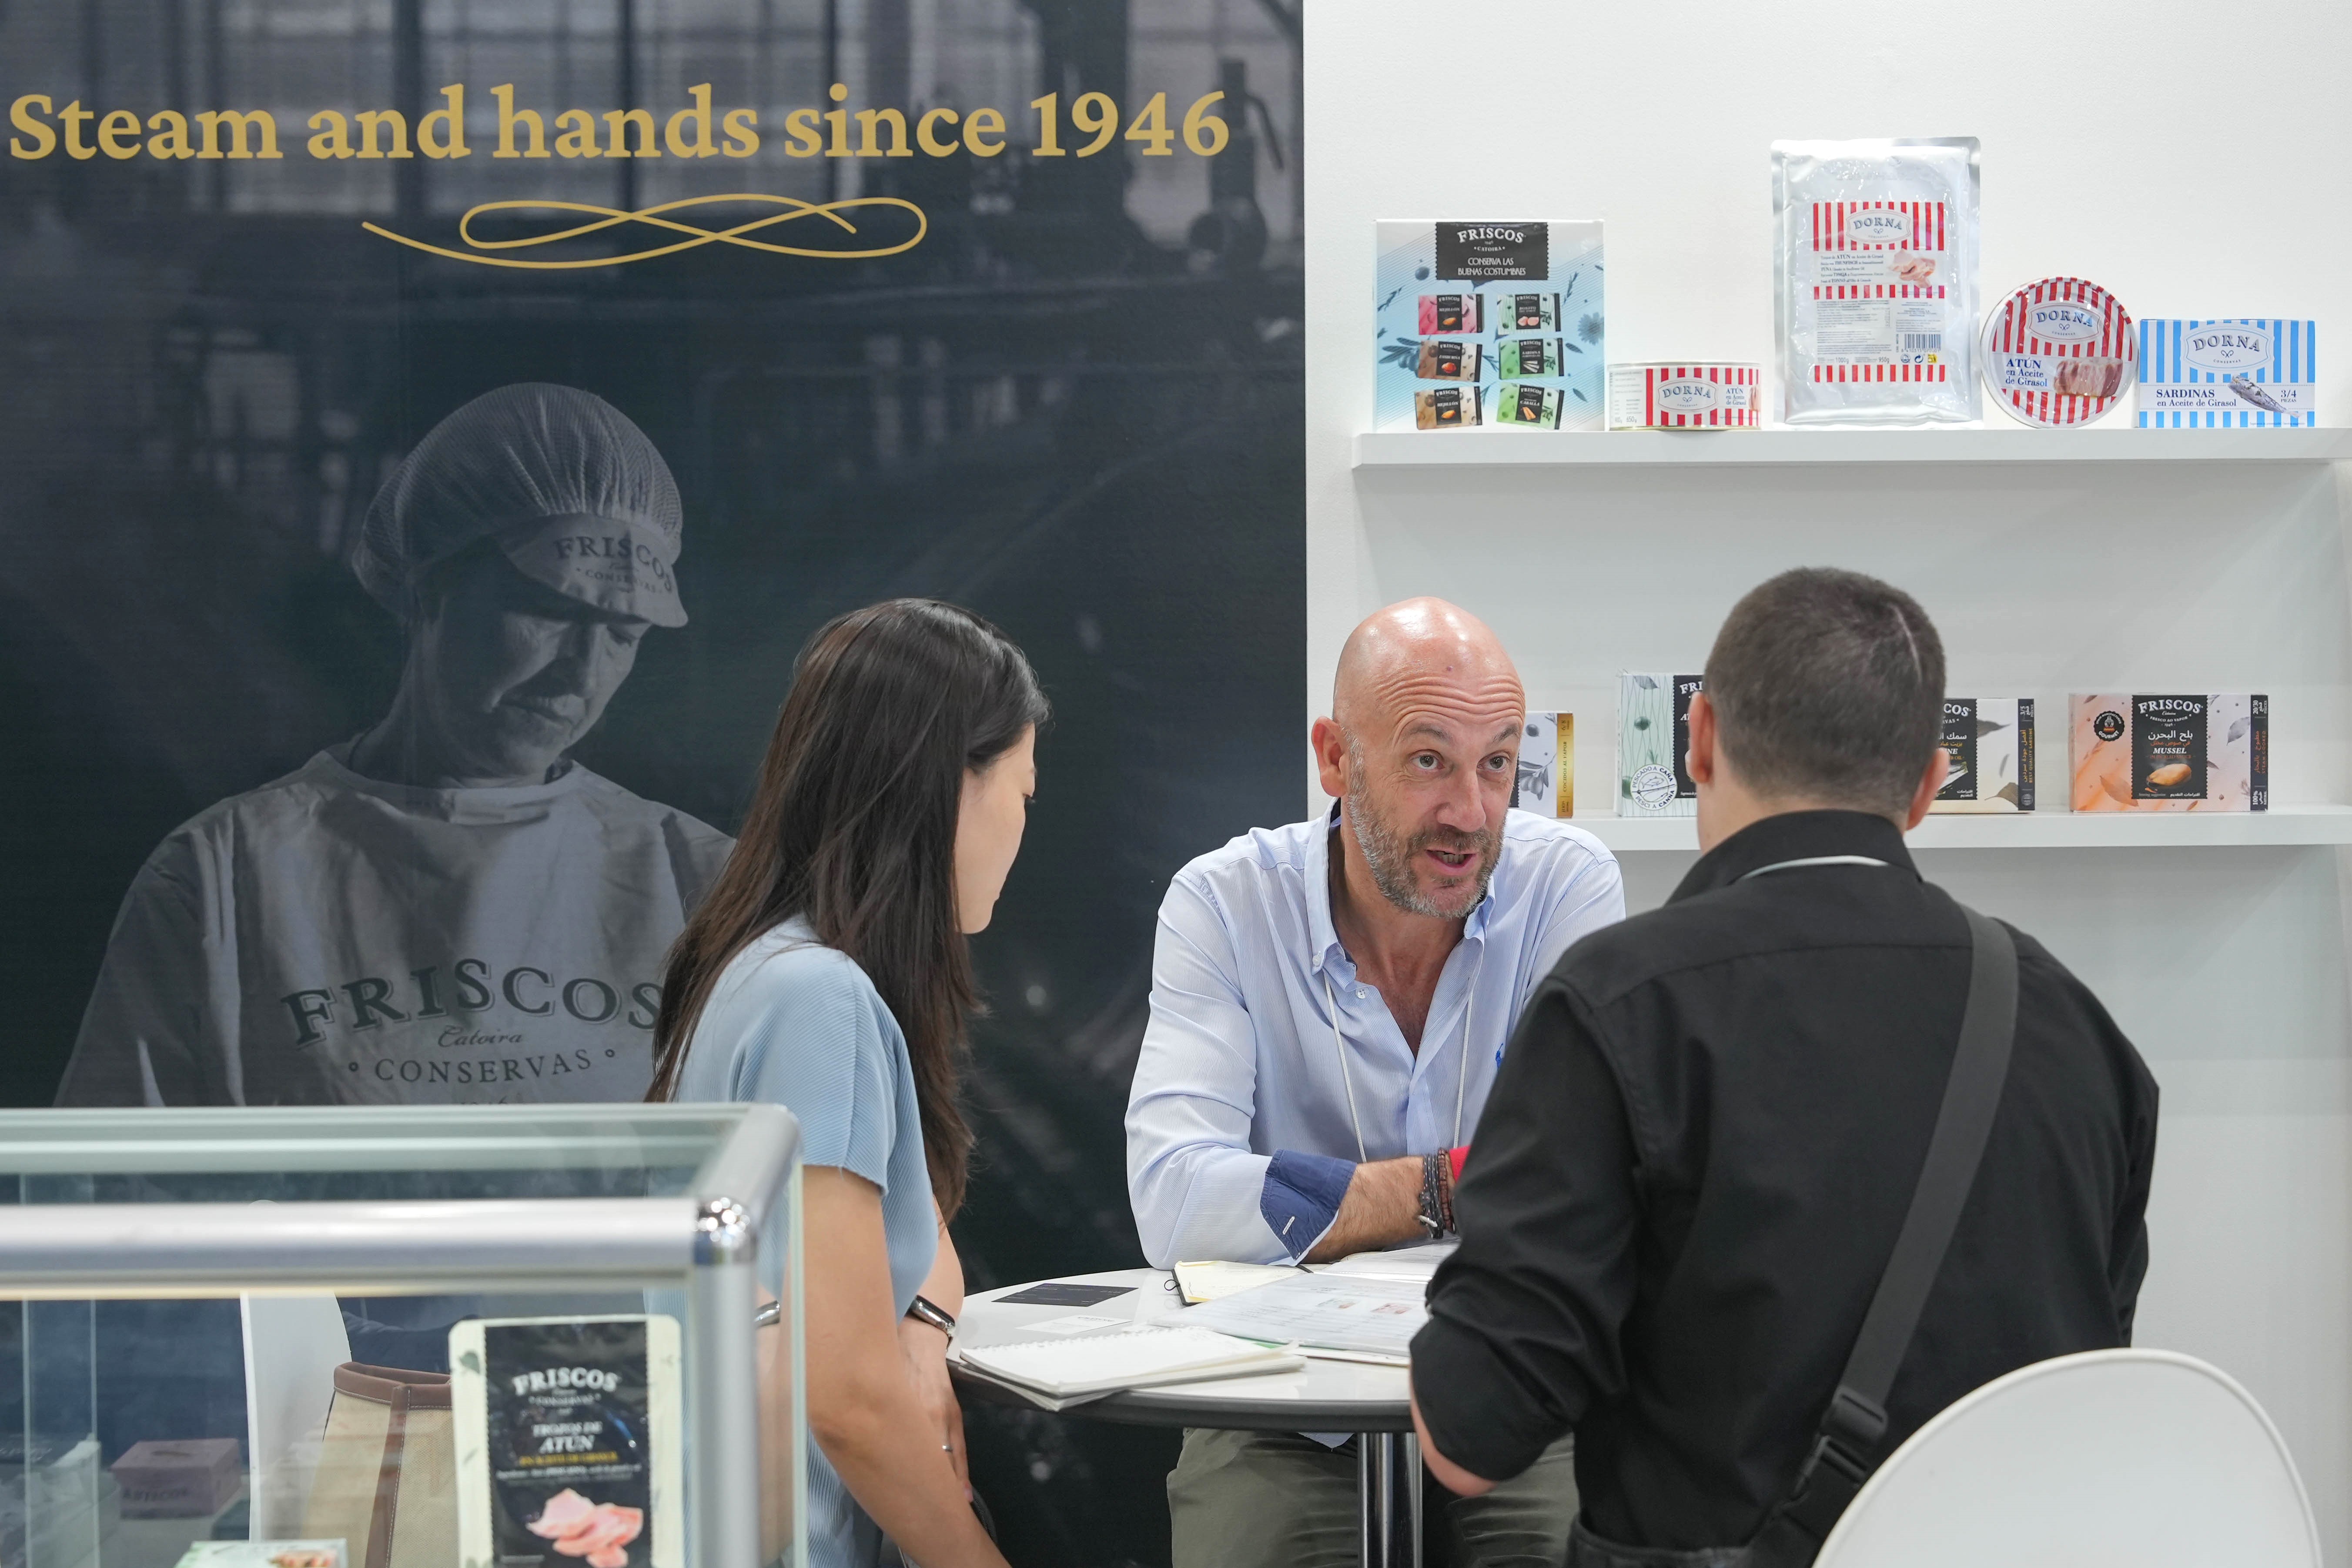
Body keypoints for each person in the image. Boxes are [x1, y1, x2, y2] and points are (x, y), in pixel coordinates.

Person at [1412, 568, 2160, 1567]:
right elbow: (2085, 1374)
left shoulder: (1619, 1006)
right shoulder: (2078, 1028)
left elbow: (1471, 1437)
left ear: (1699, 739)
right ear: (1929, 784)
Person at [57, 382, 729, 1108]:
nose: (583, 672)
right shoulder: (222, 876)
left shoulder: (700, 880)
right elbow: (121, 1169)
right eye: (548, 610)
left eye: (623, 634)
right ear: (428, 589)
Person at [1127, 597, 1626, 1568]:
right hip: (1281, 1396)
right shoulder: (1225, 903)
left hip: (1521, 1378)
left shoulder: (1564, 885)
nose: (1470, 813)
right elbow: (1177, 1201)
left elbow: (1589, 1182)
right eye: (1429, 760)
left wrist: (1320, 1203)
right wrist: (1450, 1185)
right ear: (1335, 758)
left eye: (1497, 763)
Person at [650, 599, 1046, 1568]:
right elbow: (849, 1400)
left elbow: (905, 1237)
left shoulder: (761, 970)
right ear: (954, 780)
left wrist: (919, 1330)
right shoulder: (820, 1000)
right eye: (1024, 792)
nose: (1022, 828)